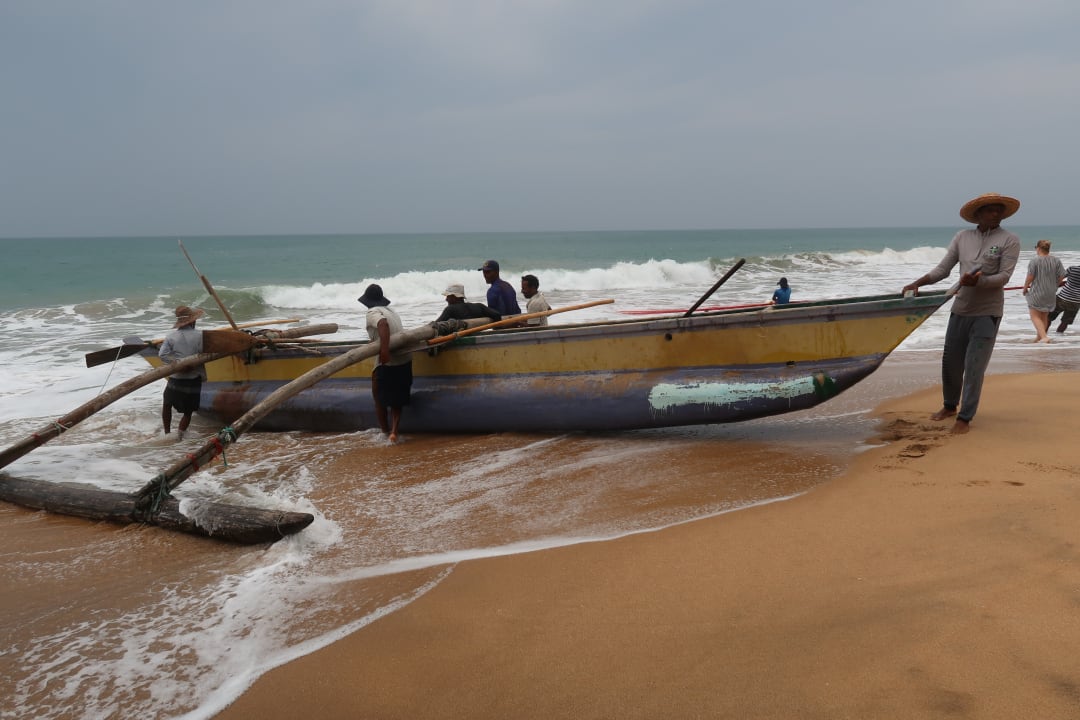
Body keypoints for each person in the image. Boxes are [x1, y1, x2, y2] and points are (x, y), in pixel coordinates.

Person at [901, 192, 1021, 435]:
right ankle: (949, 406)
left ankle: (965, 418)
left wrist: (979, 282)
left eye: (999, 210)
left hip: (987, 313)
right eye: (990, 209)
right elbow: (943, 269)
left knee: (974, 367)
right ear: (977, 214)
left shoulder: (1009, 240)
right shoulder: (962, 237)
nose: (995, 214)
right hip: (960, 309)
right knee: (951, 363)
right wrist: (918, 283)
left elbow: (1004, 277)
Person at [358, 284, 412, 443]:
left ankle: (384, 432)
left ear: (367, 302)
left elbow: (383, 324)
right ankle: (394, 431)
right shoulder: (392, 311)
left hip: (389, 360)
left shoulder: (372, 312)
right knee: (398, 399)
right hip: (405, 358)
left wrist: (385, 351)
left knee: (378, 397)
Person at [159, 305, 206, 441]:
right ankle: (180, 436)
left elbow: (163, 355)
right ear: (192, 321)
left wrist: (178, 364)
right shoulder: (201, 336)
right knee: (188, 411)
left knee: (167, 404)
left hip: (176, 377)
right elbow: (206, 352)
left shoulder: (171, 336)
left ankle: (167, 434)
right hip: (194, 377)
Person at [1022, 239, 1065, 343]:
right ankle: (1040, 337)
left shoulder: (1035, 261)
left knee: (1035, 316)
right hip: (1050, 292)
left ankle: (1044, 337)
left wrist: (1025, 287)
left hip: (1038, 291)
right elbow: (1062, 275)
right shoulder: (1056, 260)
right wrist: (1055, 284)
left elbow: (1030, 277)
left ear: (1038, 248)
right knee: (1044, 315)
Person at [435, 283, 502, 322]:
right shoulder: (479, 306)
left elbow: (435, 325)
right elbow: (497, 315)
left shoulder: (450, 309)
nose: (446, 299)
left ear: (455, 297)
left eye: (448, 296)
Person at [1049, 265, 1080, 334]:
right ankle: (1058, 337)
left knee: (1048, 317)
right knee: (1065, 322)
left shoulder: (1072, 268)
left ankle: (1043, 335)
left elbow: (1059, 279)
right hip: (1076, 301)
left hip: (1062, 298)